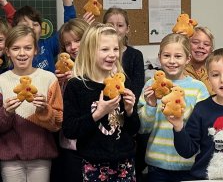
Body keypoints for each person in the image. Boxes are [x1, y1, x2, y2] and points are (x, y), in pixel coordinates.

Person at [62, 22, 140, 181]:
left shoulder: (123, 83)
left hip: (125, 162)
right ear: (89, 51)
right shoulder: (76, 86)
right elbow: (70, 130)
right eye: (105, 49)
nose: (112, 54)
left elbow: (133, 129)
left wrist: (130, 110)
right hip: (93, 163)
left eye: (116, 49)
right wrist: (97, 114)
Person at [138, 33, 209, 182]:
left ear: (188, 59)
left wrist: (183, 109)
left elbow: (204, 128)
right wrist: (151, 105)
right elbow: (143, 128)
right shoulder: (150, 85)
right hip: (157, 165)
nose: (172, 61)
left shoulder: (198, 88)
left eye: (178, 56)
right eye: (166, 56)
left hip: (190, 165)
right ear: (159, 57)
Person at [0, 25, 63, 182]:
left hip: (41, 157)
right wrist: (6, 113)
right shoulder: (1, 81)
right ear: (7, 51)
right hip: (10, 159)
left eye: (28, 48)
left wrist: (44, 110)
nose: (22, 53)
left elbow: (57, 123)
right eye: (15, 48)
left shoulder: (49, 79)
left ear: (36, 50)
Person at [168, 48, 223, 180]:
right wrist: (178, 127)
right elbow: (187, 151)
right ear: (208, 79)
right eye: (215, 75)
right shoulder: (202, 109)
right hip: (203, 178)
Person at [103, 7, 146, 180]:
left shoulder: (135, 55)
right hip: (104, 113)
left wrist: (123, 100)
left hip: (127, 114)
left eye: (120, 25)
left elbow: (136, 87)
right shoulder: (99, 55)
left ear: (127, 29)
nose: (115, 28)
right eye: (110, 24)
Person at [0, 0, 76, 73]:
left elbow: (70, 27)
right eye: (25, 25)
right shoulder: (10, 51)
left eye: (35, 24)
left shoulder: (48, 46)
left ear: (41, 29)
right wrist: (4, 3)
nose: (31, 27)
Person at [54, 18, 89, 182]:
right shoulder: (62, 70)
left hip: (93, 145)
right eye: (68, 44)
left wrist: (79, 78)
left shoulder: (102, 67)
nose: (73, 47)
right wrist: (58, 86)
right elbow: (60, 108)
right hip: (70, 146)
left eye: (78, 40)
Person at [184, 26, 215, 94]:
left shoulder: (214, 73)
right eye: (195, 42)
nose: (201, 46)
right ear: (186, 45)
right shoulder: (179, 71)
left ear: (211, 49)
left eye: (206, 44)